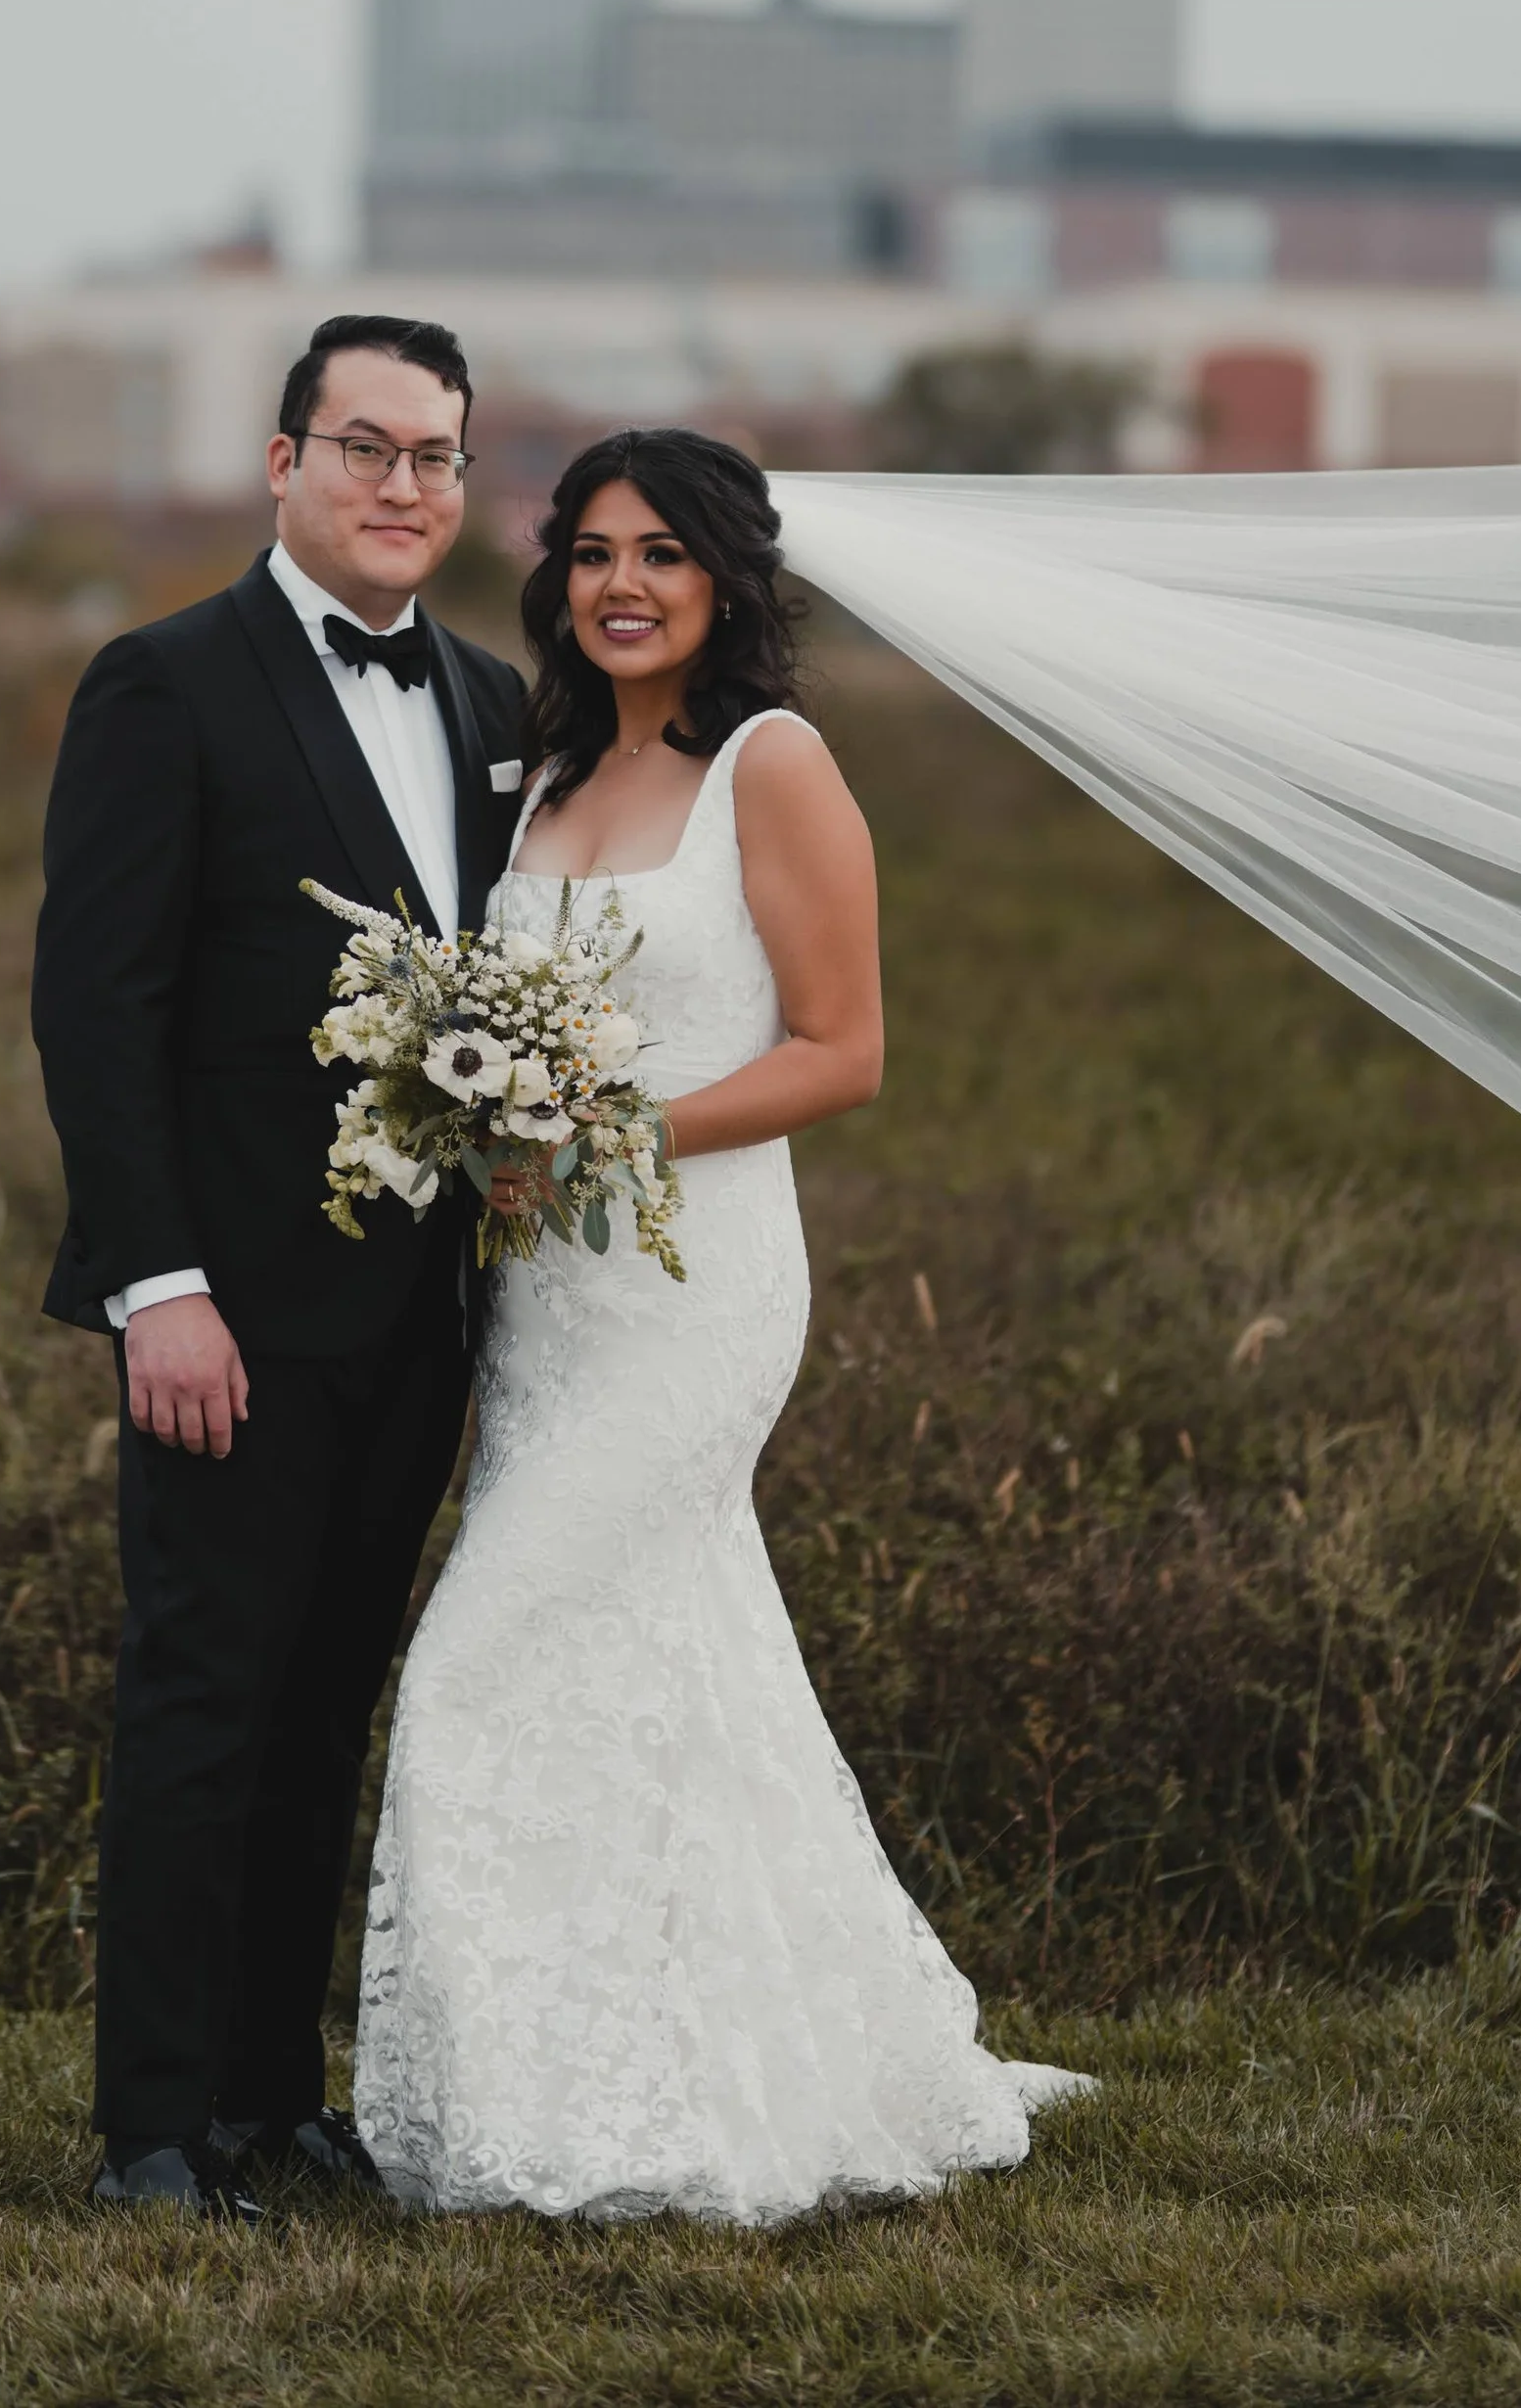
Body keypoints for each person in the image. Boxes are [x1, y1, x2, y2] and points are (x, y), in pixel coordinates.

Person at [355, 426, 1090, 2222]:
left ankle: (573, 2108)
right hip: (544, 1302)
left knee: (478, 1660)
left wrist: (595, 1132)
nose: (621, 585)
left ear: (727, 581)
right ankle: (703, 2040)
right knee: (661, 1662)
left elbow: (846, 1053)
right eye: (593, 552)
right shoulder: (528, 781)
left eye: (662, 556)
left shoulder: (778, 763)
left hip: (697, 1290)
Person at [33, 312, 528, 2224]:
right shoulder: (160, 684)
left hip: (417, 1315)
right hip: (220, 1315)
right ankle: (146, 2128)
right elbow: (98, 1005)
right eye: (365, 446)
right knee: (201, 1694)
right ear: (279, 460)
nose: (402, 485)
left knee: (327, 1701)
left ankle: (262, 2097)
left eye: (436, 455)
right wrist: (154, 1279)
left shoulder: (490, 705)